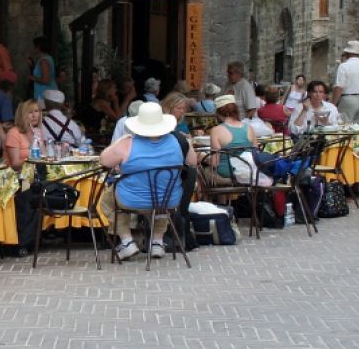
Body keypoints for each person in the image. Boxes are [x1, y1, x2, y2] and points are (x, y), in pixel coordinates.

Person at [98, 102, 194, 260]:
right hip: (169, 199)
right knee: (161, 203)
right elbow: (192, 162)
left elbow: (104, 161)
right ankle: (157, 242)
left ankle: (127, 242)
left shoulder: (127, 143)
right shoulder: (178, 141)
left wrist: (119, 141)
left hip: (132, 200)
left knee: (109, 199)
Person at [207, 94, 257, 184]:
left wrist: (204, 158)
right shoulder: (249, 128)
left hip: (227, 173)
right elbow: (255, 154)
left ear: (218, 113)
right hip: (248, 172)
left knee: (202, 171)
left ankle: (213, 198)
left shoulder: (216, 130)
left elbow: (215, 163)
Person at [332, 40, 359, 128]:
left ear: (347, 53)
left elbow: (339, 87)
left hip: (348, 99)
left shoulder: (343, 66)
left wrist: (334, 103)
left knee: (344, 127)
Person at [2, 99, 45, 172]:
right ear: (22, 115)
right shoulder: (13, 133)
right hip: (16, 177)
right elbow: (15, 165)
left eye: (37, 111)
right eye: (30, 112)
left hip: (35, 174)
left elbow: (44, 156)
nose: (34, 115)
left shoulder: (37, 132)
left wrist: (39, 141)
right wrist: (31, 159)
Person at [26, 36, 58, 102]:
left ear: (38, 47)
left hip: (44, 95)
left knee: (43, 111)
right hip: (43, 94)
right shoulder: (47, 58)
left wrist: (32, 78)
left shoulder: (44, 61)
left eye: (34, 46)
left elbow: (46, 80)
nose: (33, 49)